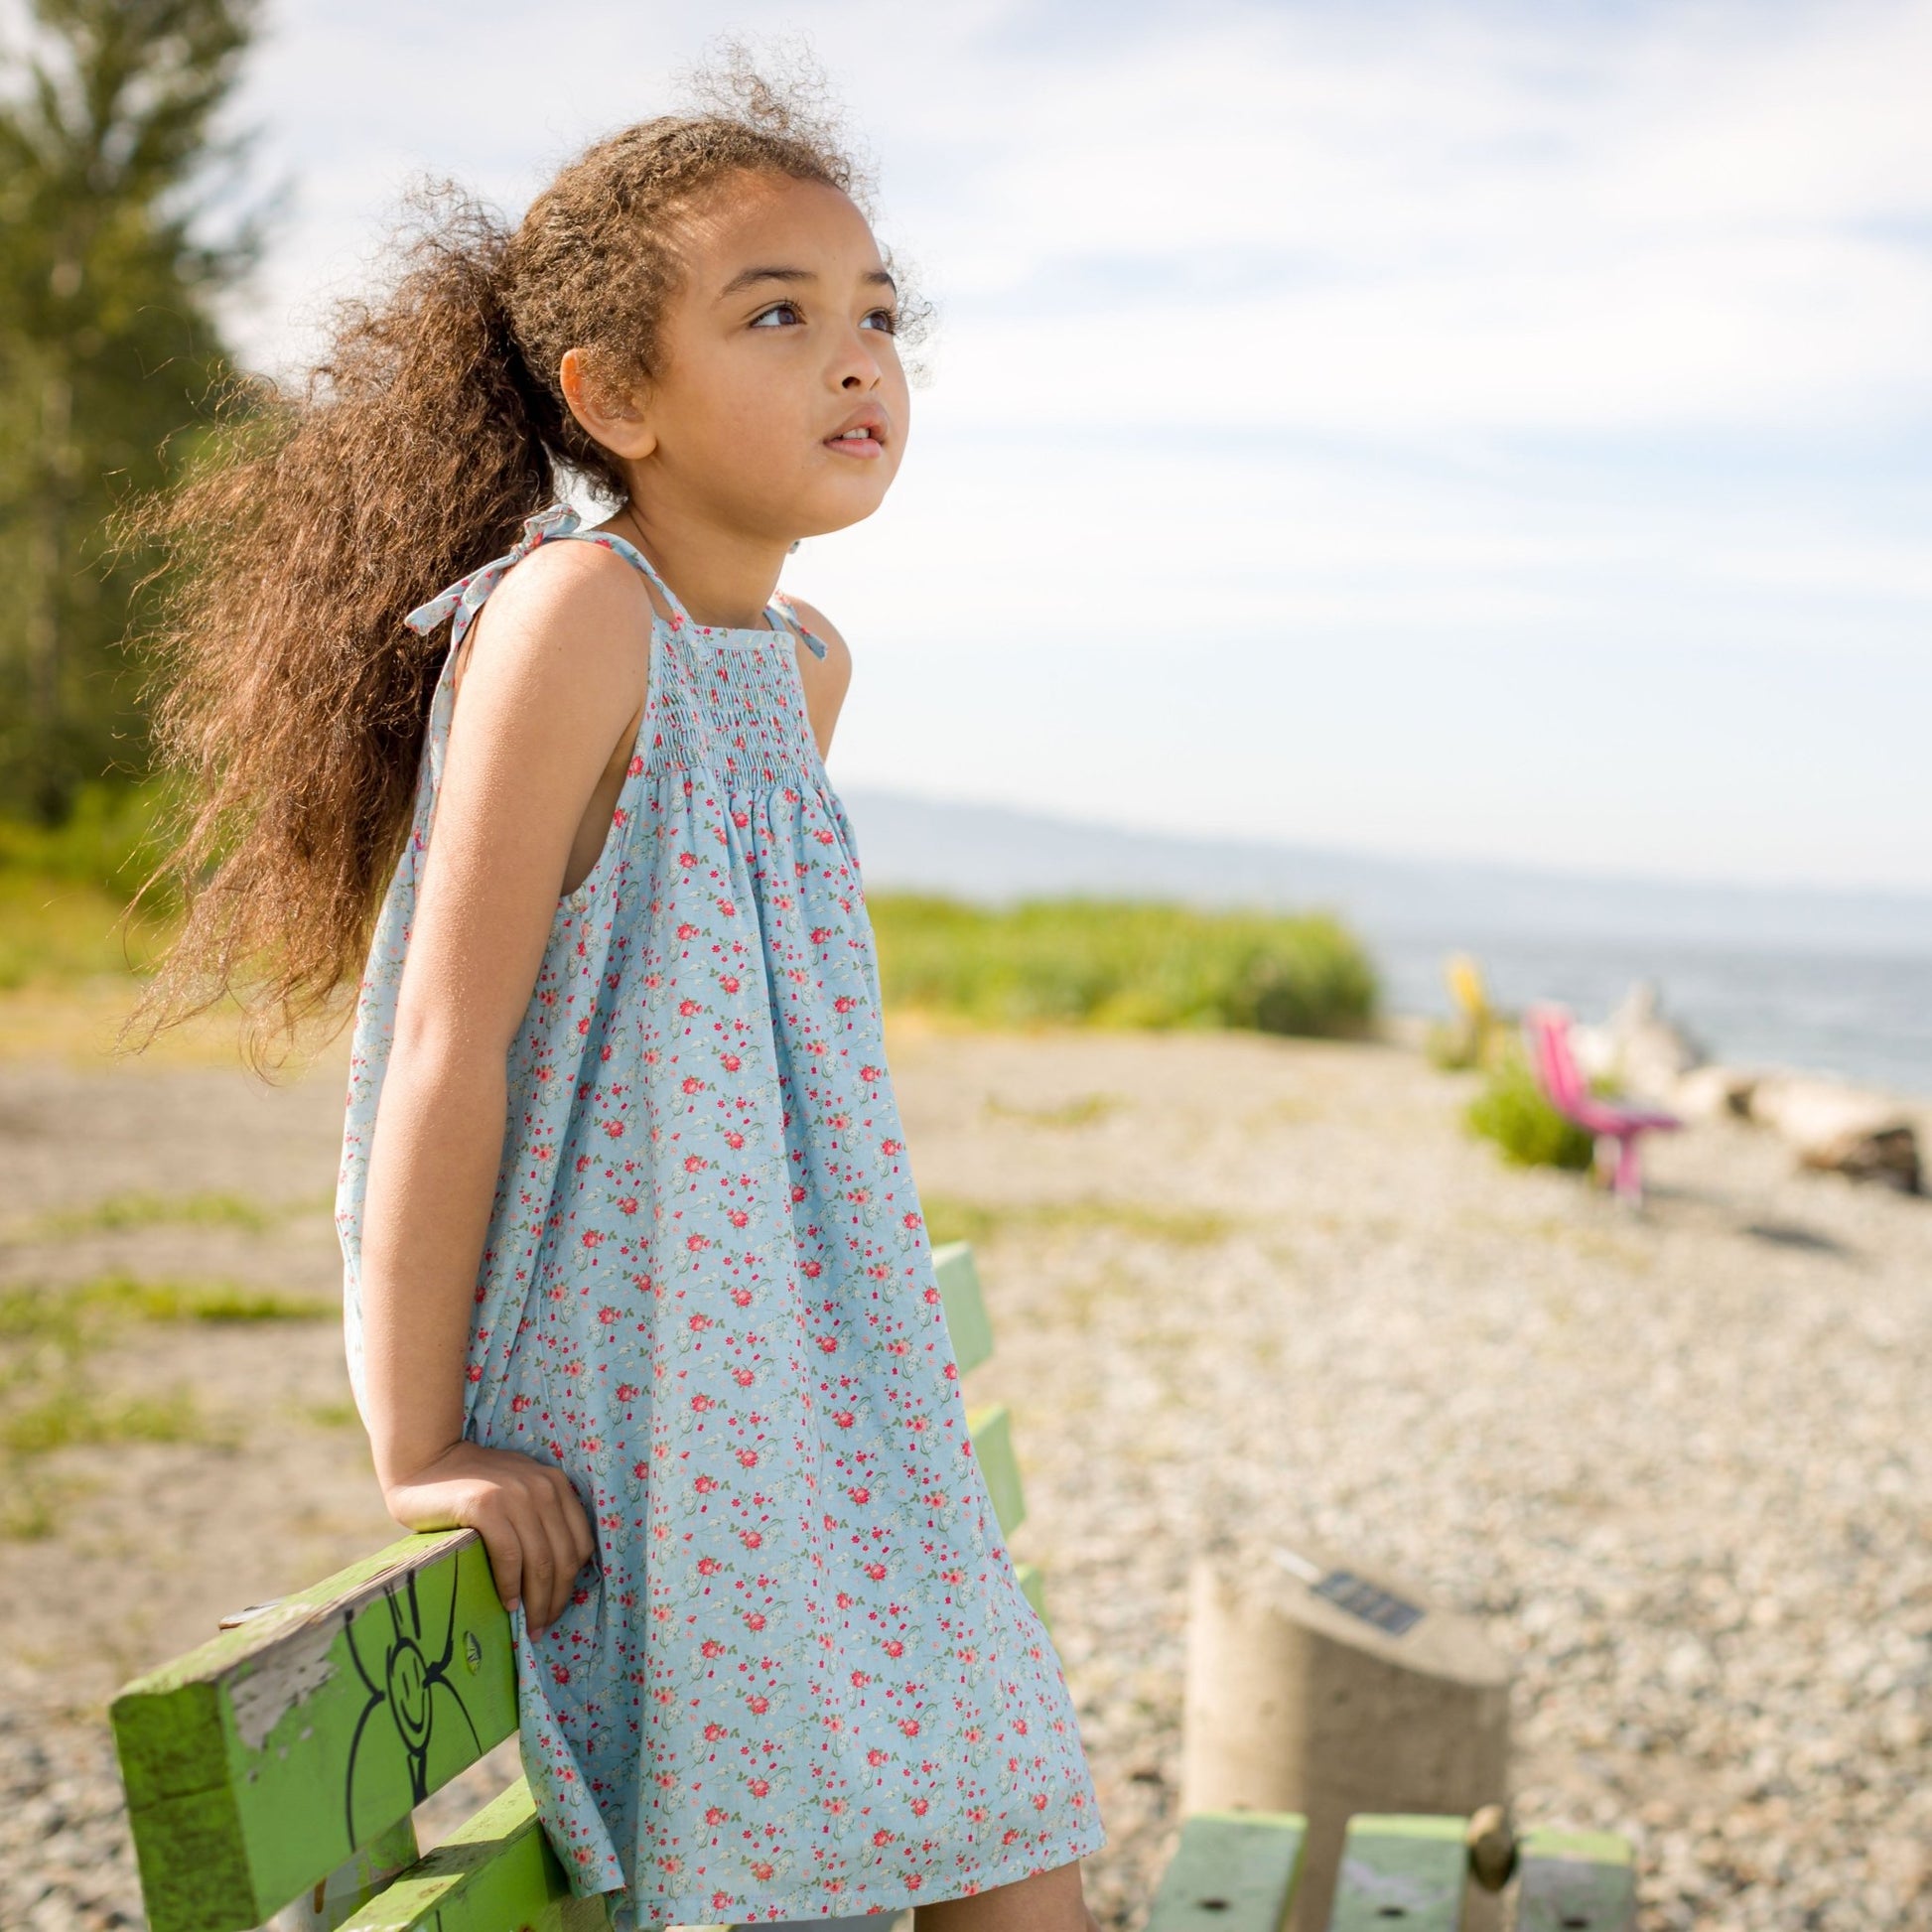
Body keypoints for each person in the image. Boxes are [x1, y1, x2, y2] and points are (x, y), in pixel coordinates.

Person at [129, 64, 1105, 1932]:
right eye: (777, 313)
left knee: (1005, 1803)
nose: (855, 360)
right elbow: (445, 1039)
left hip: (823, 1371)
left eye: (877, 313)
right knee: (851, 1834)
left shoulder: (804, 661)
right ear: (616, 397)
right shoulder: (576, 617)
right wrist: (418, 1440)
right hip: (665, 1373)